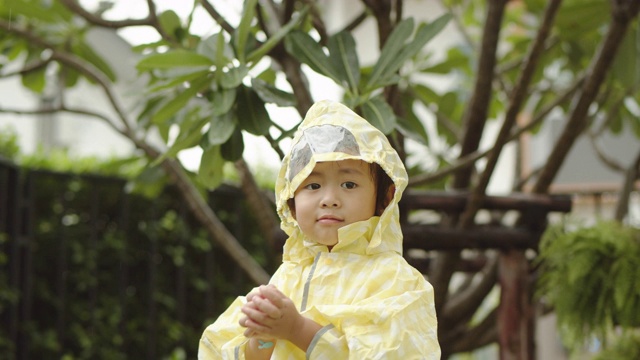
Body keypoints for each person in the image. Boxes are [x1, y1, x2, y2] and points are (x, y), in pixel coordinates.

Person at [199, 100, 440, 359]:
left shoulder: (396, 281)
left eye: (349, 184)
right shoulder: (286, 279)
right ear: (290, 201)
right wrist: (265, 335)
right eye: (313, 186)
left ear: (384, 198)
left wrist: (297, 329)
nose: (330, 199)